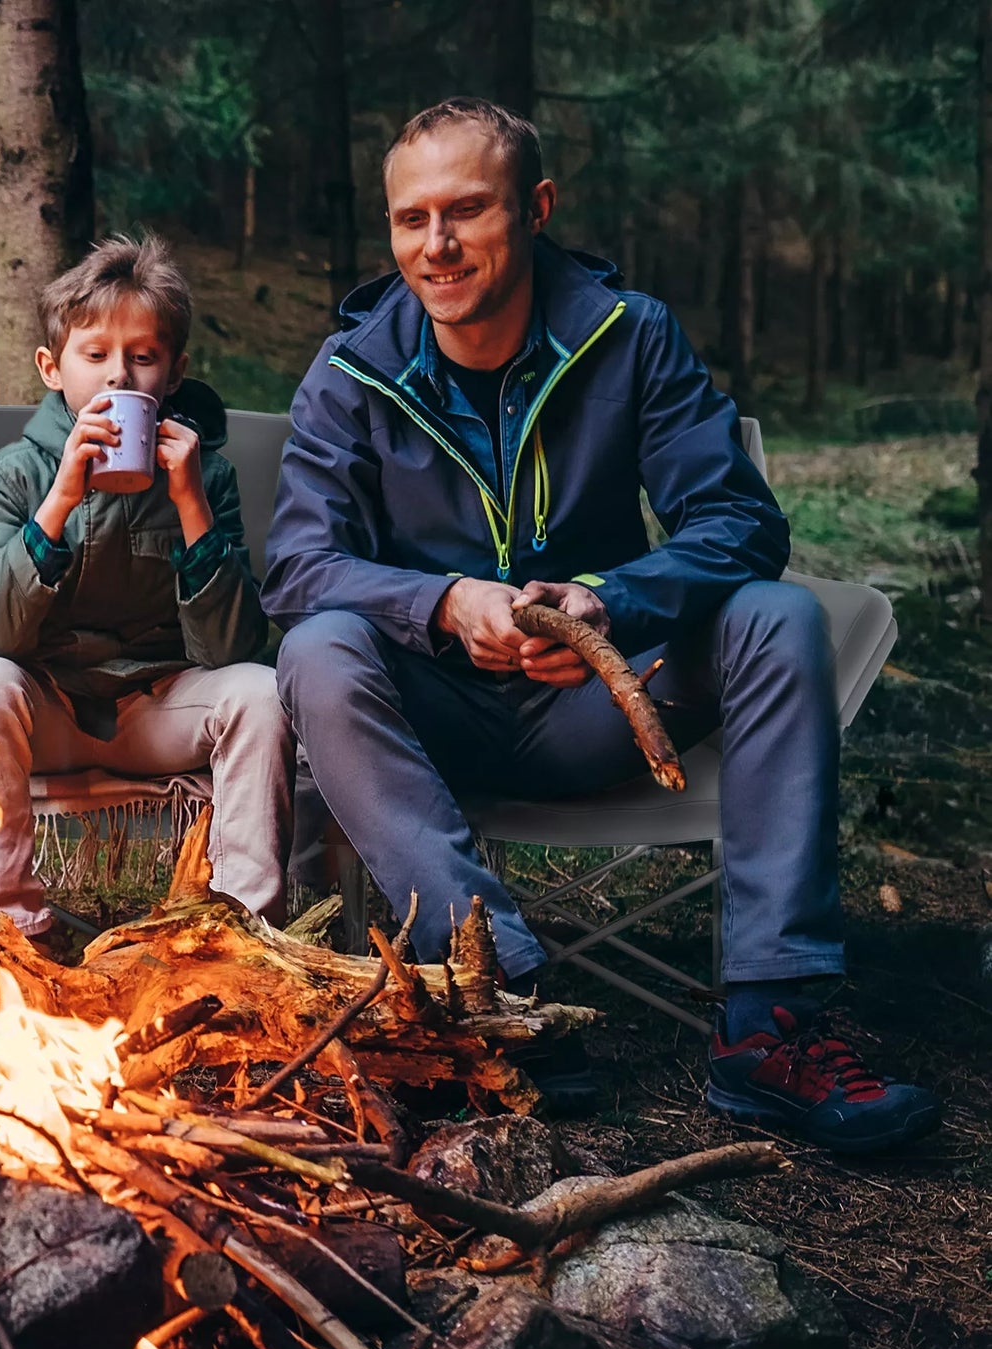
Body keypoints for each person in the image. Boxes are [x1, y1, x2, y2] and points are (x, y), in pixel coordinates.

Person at [263, 98, 939, 1153]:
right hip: (427, 718)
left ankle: (771, 1027)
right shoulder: (352, 370)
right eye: (409, 219)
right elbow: (297, 568)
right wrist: (440, 605)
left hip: (604, 702)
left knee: (773, 615)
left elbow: (737, 521)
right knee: (314, 647)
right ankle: (505, 994)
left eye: (465, 210)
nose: (433, 246)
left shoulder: (628, 337)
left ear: (534, 208)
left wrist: (607, 597)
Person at [0, 233, 292, 946]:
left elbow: (231, 647)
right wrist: (59, 502)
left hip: (156, 707)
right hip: (49, 709)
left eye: (143, 357)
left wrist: (191, 503)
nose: (118, 379)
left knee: (259, 691)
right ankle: (8, 932)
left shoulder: (206, 475)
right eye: (94, 355)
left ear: (173, 371)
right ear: (52, 366)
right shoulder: (17, 472)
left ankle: (239, 934)